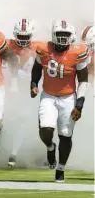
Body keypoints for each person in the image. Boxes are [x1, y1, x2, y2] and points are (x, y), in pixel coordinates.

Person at [30, 20, 89, 182]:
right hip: (48, 95)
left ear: (72, 36)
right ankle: (50, 147)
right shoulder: (43, 49)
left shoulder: (77, 52)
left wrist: (79, 104)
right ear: (53, 35)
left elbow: (83, 80)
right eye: (59, 34)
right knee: (46, 130)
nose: (62, 38)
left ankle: (60, 168)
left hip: (69, 97)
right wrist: (33, 84)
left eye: (66, 35)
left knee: (65, 134)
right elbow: (36, 69)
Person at [6, 18, 44, 167]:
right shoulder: (6, 45)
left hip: (29, 92)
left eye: (25, 36)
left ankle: (14, 153)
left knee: (24, 122)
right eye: (20, 36)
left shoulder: (39, 47)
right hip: (9, 90)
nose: (22, 40)